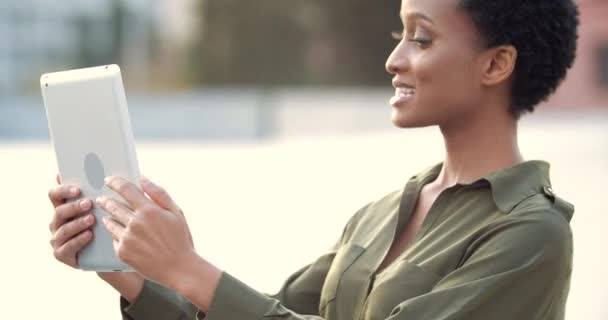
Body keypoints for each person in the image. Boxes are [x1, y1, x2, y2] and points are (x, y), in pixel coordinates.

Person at [47, 0, 580, 319]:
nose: (395, 59)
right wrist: (134, 272)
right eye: (400, 35)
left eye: (421, 38)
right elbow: (264, 311)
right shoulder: (383, 213)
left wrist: (187, 267)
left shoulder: (531, 234)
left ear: (497, 63)